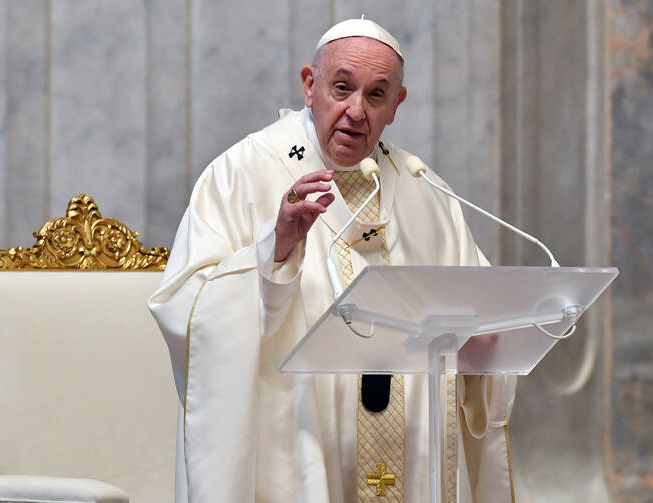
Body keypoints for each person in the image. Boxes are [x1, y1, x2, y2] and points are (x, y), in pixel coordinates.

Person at [149, 18, 516, 503]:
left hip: (412, 455)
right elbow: (184, 306)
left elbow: (480, 310)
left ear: (397, 105)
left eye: (376, 95)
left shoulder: (424, 188)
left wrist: (486, 341)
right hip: (296, 449)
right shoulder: (242, 172)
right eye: (341, 88)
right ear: (309, 85)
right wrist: (273, 250)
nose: (355, 111)